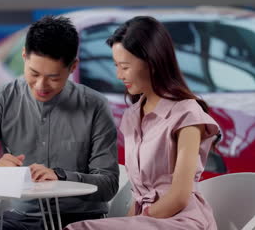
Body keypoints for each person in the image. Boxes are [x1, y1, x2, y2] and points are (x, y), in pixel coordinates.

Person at [0, 15, 119, 230]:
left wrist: (60, 175)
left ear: (73, 67)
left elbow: (108, 184)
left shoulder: (95, 105)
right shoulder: (2, 98)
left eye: (53, 78)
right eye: (34, 73)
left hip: (81, 221)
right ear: (24, 56)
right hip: (23, 220)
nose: (41, 85)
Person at [65, 16, 220, 230]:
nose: (119, 75)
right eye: (116, 66)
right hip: (145, 222)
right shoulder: (131, 116)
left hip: (182, 221)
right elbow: (138, 196)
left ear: (152, 63)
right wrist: (129, 221)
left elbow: (179, 197)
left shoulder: (187, 113)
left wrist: (132, 222)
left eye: (125, 67)